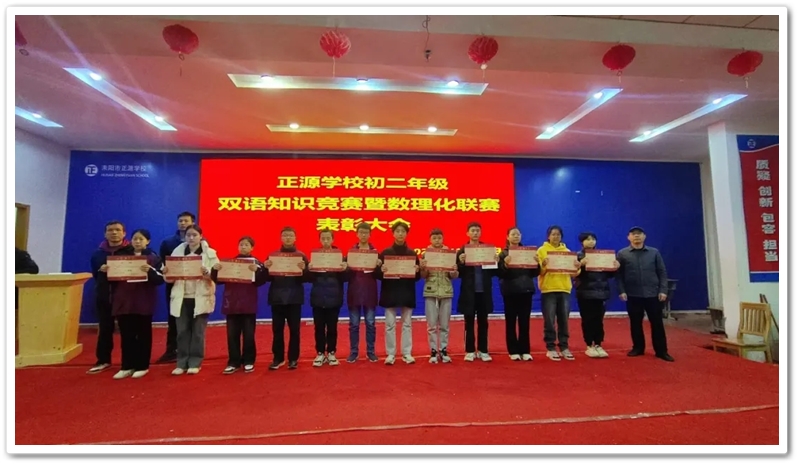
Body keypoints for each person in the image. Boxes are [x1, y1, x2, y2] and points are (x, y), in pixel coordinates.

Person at [163, 225, 219, 375]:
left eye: (194, 235)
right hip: (181, 297)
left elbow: (217, 276)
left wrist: (207, 273)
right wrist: (167, 273)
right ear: (184, 237)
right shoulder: (176, 253)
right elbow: (169, 279)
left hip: (201, 296)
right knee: (182, 332)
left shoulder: (210, 253)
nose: (191, 238)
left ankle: (195, 362)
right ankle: (181, 363)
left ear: (201, 236)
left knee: (198, 332)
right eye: (188, 235)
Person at [109, 229, 164, 379]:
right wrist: (106, 270)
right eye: (135, 239)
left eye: (141, 239)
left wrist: (150, 271)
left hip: (143, 301)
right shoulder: (121, 256)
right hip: (124, 301)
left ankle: (142, 365)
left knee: (143, 334)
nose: (137, 242)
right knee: (126, 334)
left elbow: (160, 279)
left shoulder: (154, 257)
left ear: (148, 241)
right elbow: (112, 278)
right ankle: (127, 366)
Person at [211, 236, 268, 375]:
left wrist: (258, 271)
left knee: (249, 335)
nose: (243, 247)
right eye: (241, 244)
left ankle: (248, 361)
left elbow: (261, 281)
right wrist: (215, 270)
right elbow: (218, 281)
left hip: (248, 304)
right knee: (232, 335)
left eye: (246, 245)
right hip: (231, 304)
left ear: (252, 248)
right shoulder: (229, 263)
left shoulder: (257, 263)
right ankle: (233, 362)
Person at [616, 226, 674, 362]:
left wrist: (663, 290)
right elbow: (619, 275)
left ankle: (661, 351)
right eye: (633, 234)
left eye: (639, 234)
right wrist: (621, 290)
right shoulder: (622, 254)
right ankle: (638, 348)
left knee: (657, 323)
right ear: (628, 237)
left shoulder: (654, 252)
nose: (636, 236)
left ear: (644, 236)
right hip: (632, 294)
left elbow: (662, 272)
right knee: (635, 323)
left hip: (653, 294)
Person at [87, 220, 130, 374]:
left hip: (125, 297)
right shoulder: (98, 254)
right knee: (105, 329)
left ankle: (128, 362)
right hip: (104, 296)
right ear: (105, 234)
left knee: (127, 330)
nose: (114, 233)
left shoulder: (131, 252)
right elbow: (95, 275)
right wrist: (102, 271)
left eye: (118, 230)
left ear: (124, 233)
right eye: (110, 230)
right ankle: (103, 360)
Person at [264, 226, 308, 371]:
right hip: (277, 297)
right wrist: (266, 268)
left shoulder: (301, 256)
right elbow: (266, 278)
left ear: (295, 238)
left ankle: (293, 358)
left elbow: (308, 279)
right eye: (285, 235)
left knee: (294, 330)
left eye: (290, 235)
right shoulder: (273, 256)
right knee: (277, 330)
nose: (288, 238)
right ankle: (278, 358)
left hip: (294, 298)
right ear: (281, 238)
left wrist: (304, 270)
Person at [376, 221, 420, 365]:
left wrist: (417, 271)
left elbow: (417, 277)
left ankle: (407, 353)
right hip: (390, 292)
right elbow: (378, 275)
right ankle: (390, 354)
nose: (400, 234)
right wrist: (381, 270)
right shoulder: (385, 253)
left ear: (406, 234)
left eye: (403, 231)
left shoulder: (412, 253)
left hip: (407, 291)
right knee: (390, 325)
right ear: (393, 233)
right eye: (398, 231)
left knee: (407, 324)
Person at [156, 211, 196, 364]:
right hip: (174, 285)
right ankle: (171, 350)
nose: (183, 223)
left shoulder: (201, 242)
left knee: (193, 319)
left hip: (194, 287)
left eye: (186, 221)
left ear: (192, 223)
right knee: (173, 318)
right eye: (180, 221)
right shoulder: (168, 242)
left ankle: (192, 351)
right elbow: (161, 263)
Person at [537, 225, 581, 361]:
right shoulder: (542, 250)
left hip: (564, 289)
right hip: (548, 289)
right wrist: (544, 265)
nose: (556, 237)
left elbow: (574, 274)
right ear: (548, 236)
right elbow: (539, 272)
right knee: (549, 320)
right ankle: (550, 348)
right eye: (553, 234)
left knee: (564, 320)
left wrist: (577, 268)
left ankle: (564, 347)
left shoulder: (567, 252)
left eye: (558, 234)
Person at [456, 222, 498, 362]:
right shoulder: (462, 251)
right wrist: (461, 262)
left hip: (483, 292)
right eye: (472, 230)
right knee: (468, 323)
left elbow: (494, 273)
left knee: (483, 322)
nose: (475, 233)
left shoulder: (487, 250)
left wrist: (496, 262)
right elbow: (458, 273)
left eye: (477, 231)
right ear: (467, 233)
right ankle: (469, 350)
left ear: (481, 233)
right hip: (469, 292)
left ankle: (483, 350)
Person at [497, 227, 540, 361]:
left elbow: (534, 273)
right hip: (510, 291)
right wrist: (505, 264)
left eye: (518, 234)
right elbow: (500, 273)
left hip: (526, 290)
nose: (516, 236)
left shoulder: (527, 252)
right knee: (510, 322)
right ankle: (513, 351)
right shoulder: (503, 254)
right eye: (513, 234)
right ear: (507, 237)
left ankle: (525, 350)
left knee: (524, 322)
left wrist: (537, 263)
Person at [575, 232, 619, 358]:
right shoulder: (578, 256)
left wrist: (615, 267)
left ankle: (599, 344)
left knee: (599, 319)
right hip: (585, 292)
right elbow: (573, 274)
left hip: (601, 292)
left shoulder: (602, 255)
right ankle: (589, 345)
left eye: (593, 239)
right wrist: (581, 265)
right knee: (587, 319)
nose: (591, 241)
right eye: (587, 239)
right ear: (582, 242)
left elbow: (609, 275)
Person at [308, 229, 348, 367]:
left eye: (328, 238)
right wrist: (309, 269)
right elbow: (309, 278)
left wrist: (345, 269)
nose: (325, 241)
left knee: (332, 328)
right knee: (319, 328)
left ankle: (331, 352)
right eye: (323, 238)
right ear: (320, 240)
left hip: (334, 297)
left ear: (333, 239)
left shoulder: (339, 256)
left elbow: (345, 278)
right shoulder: (315, 256)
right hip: (318, 297)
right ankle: (320, 353)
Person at [420, 228, 458, 364]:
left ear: (443, 239)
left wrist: (454, 270)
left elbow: (454, 276)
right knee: (431, 324)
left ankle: (443, 350)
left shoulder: (449, 254)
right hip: (430, 291)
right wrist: (423, 268)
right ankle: (433, 351)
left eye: (439, 238)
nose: (437, 240)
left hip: (446, 291)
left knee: (444, 324)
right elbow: (423, 276)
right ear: (430, 239)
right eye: (434, 238)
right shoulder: (426, 254)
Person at [345, 223, 381, 363]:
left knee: (370, 324)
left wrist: (379, 267)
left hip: (370, 292)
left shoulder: (375, 253)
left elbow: (379, 276)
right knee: (354, 325)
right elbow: (346, 276)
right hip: (354, 292)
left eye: (366, 232)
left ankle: (370, 352)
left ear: (370, 234)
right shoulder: (351, 253)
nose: (363, 235)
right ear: (357, 234)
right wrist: (346, 267)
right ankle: (353, 352)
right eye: (361, 232)